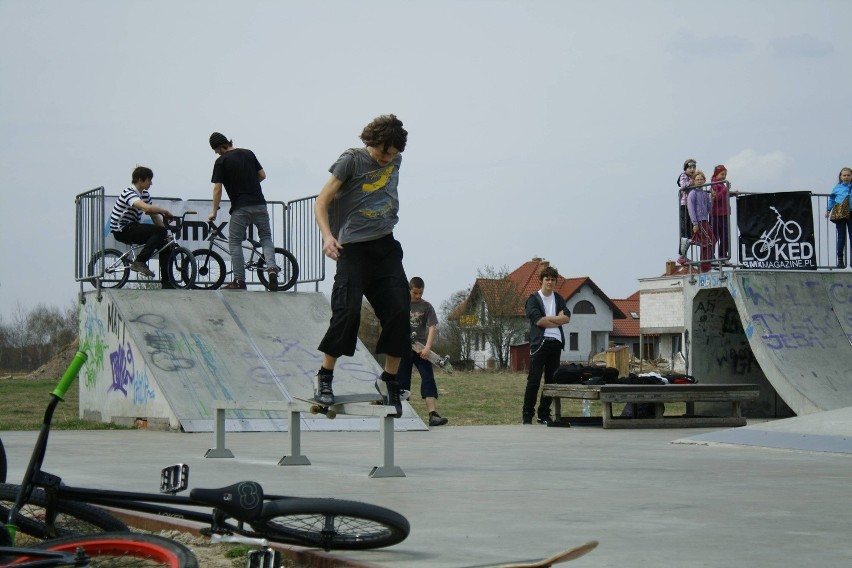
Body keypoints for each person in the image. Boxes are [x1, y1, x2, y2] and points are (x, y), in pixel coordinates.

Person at [313, 114, 410, 417]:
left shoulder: (395, 159)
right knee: (347, 311)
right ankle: (324, 377)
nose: (387, 159)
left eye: (392, 154)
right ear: (371, 143)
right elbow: (322, 201)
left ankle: (389, 381)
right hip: (353, 249)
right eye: (383, 153)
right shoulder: (351, 161)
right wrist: (328, 237)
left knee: (399, 312)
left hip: (386, 247)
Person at [208, 132, 279, 290]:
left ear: (220, 146)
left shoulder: (221, 161)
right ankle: (272, 269)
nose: (216, 153)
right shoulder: (248, 153)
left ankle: (239, 281)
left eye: (215, 149)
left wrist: (214, 211)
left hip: (241, 207)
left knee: (235, 242)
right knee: (266, 237)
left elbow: (217, 189)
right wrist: (250, 182)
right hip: (260, 203)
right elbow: (262, 175)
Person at [109, 166, 175, 289]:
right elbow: (147, 208)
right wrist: (164, 211)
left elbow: (154, 216)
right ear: (140, 180)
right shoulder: (129, 192)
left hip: (132, 227)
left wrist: (168, 236)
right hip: (122, 229)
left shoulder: (145, 195)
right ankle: (139, 262)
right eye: (149, 180)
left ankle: (167, 282)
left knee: (165, 243)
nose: (151, 183)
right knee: (159, 231)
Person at [397, 276, 449, 427]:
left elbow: (432, 327)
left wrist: (427, 347)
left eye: (421, 293)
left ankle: (433, 415)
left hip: (421, 350)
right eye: (415, 293)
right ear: (409, 290)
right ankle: (402, 415)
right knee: (402, 381)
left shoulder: (427, 307)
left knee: (428, 378)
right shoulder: (401, 304)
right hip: (404, 348)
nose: (418, 296)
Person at [522, 266, 571, 425]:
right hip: (539, 343)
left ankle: (544, 413)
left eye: (552, 279)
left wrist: (549, 320)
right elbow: (538, 321)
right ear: (541, 281)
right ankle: (527, 414)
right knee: (534, 380)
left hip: (556, 343)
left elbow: (567, 318)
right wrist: (557, 319)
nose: (550, 282)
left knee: (551, 381)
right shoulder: (533, 299)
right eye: (547, 279)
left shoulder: (558, 298)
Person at [686, 170, 714, 272]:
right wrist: (695, 223)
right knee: (711, 240)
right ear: (693, 181)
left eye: (701, 179)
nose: (699, 181)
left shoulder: (704, 193)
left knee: (708, 242)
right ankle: (704, 264)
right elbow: (691, 209)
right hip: (699, 221)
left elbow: (709, 208)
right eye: (697, 179)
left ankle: (705, 264)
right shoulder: (692, 193)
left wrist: (711, 199)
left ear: (704, 181)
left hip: (705, 220)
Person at [709, 164, 738, 262]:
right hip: (716, 214)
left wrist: (733, 194)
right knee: (714, 236)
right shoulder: (714, 185)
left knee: (725, 236)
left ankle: (723, 256)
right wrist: (726, 189)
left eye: (725, 174)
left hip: (725, 214)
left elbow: (724, 195)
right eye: (722, 174)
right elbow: (717, 198)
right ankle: (711, 255)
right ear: (716, 175)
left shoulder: (722, 184)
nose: (724, 176)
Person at [825, 167, 852, 268]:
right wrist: (828, 210)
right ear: (840, 177)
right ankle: (840, 260)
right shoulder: (837, 188)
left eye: (848, 175)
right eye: (844, 175)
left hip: (851, 213)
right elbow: (832, 200)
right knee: (841, 237)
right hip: (840, 214)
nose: (846, 177)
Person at [676, 159, 697, 264]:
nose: (692, 169)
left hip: (692, 206)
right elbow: (683, 185)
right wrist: (691, 182)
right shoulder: (683, 176)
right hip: (684, 205)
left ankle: (684, 255)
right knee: (684, 231)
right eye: (690, 167)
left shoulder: (694, 177)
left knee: (689, 231)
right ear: (686, 168)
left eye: (694, 167)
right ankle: (682, 255)